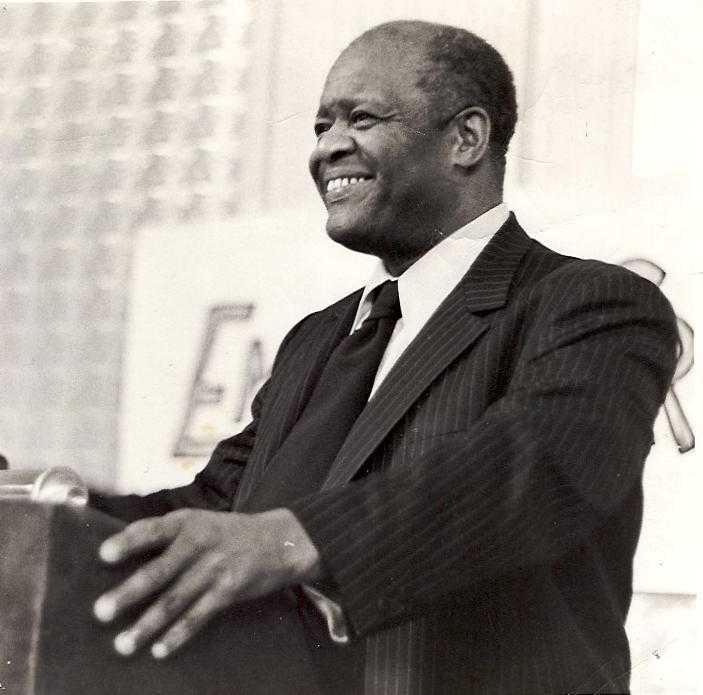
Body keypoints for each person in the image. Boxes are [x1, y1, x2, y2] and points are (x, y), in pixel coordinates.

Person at [89, 20, 678, 695]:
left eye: (360, 118)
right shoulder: (318, 338)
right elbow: (222, 508)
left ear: (466, 138)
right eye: (320, 127)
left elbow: (533, 469)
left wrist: (296, 539)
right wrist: (47, 504)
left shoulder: (593, 301)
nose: (327, 147)